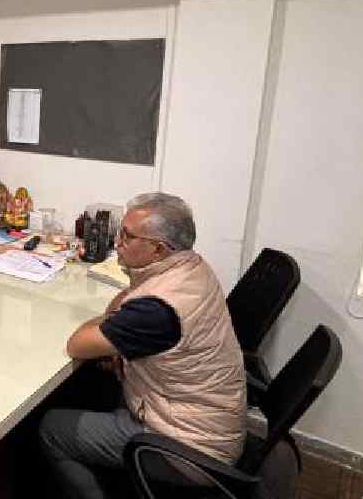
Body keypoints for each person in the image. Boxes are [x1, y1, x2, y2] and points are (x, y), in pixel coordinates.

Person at [39, 192, 246, 499]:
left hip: (187, 447)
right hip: (203, 418)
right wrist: (120, 324)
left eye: (127, 235)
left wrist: (110, 325)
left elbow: (77, 344)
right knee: (95, 376)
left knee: (52, 427)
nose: (117, 242)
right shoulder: (190, 266)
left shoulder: (156, 309)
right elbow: (122, 308)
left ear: (158, 248)